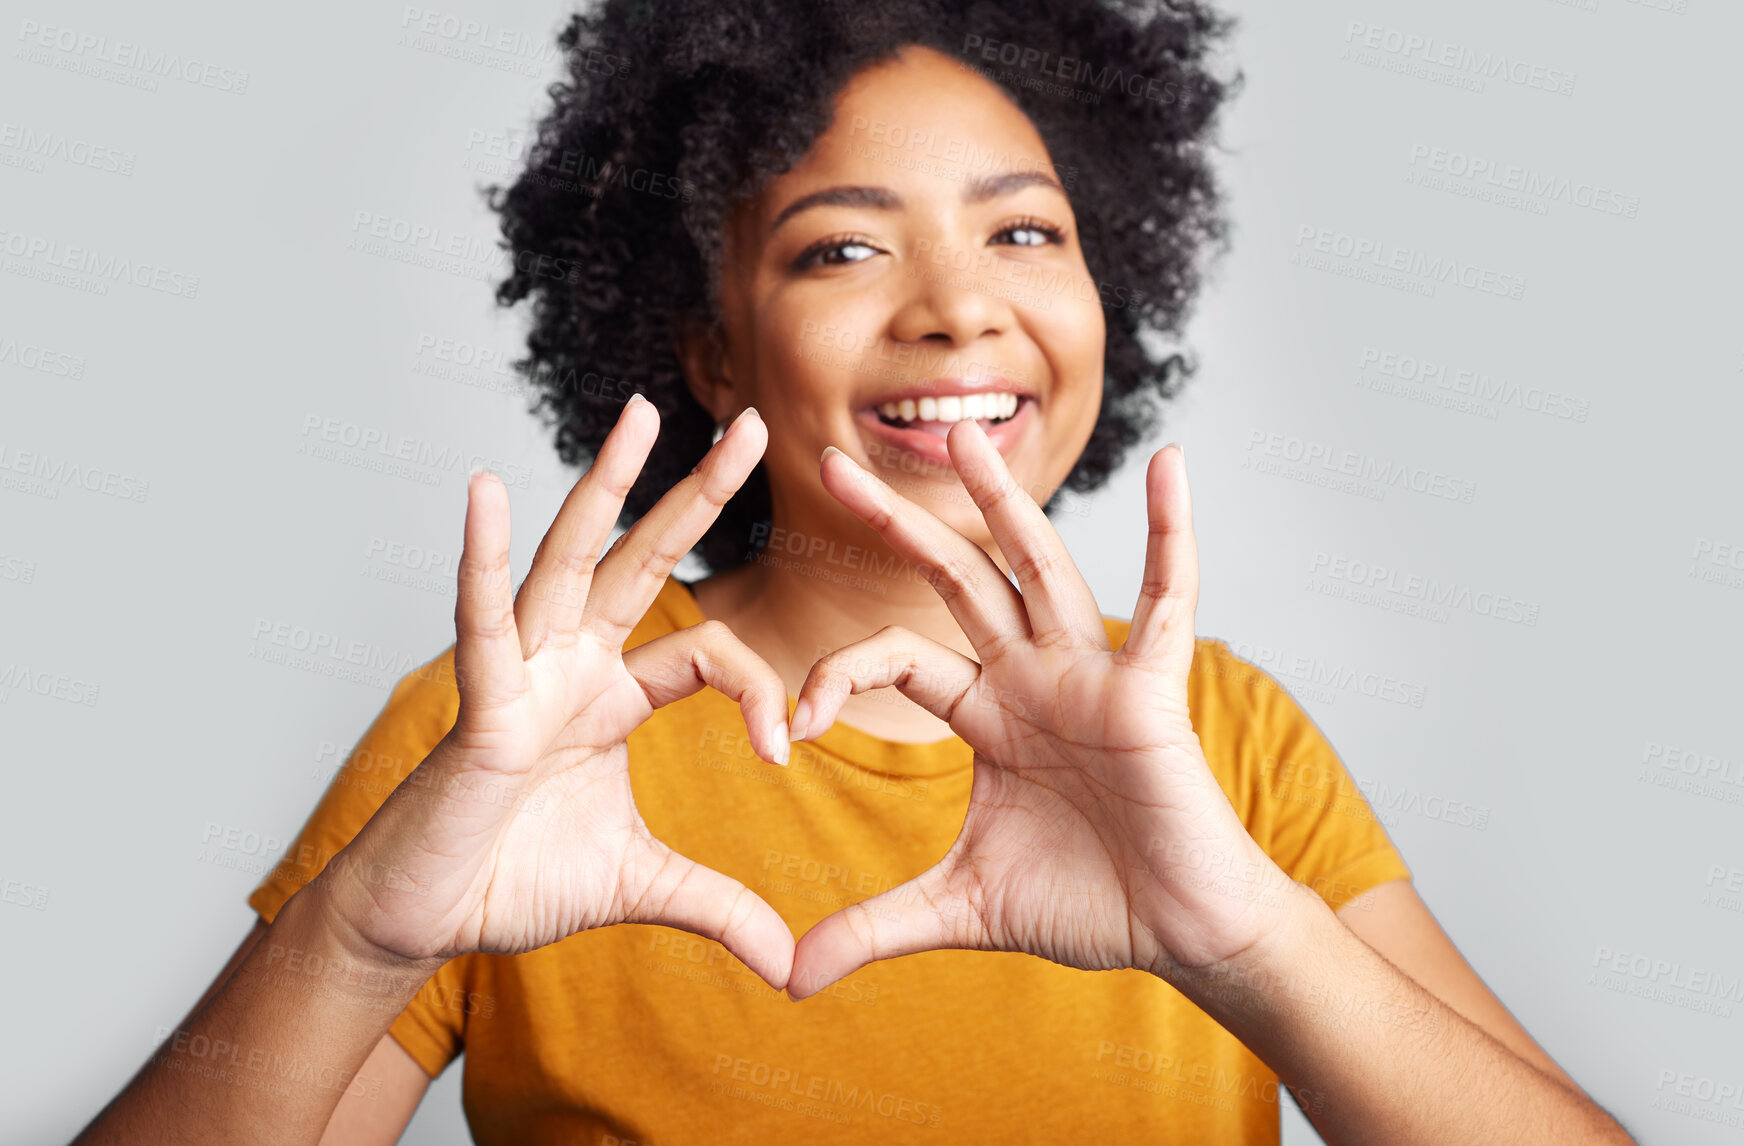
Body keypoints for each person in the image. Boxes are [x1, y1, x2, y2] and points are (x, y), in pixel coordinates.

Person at [72, 1, 1636, 1142]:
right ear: (711, 349)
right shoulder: (511, 735)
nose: (959, 308)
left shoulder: (1224, 741)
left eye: (1025, 233)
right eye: (841, 247)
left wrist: (1251, 947)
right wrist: (359, 944)